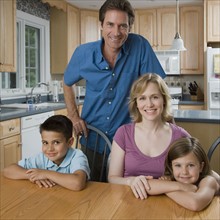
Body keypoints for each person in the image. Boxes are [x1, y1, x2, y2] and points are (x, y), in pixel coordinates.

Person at [63, 0, 165, 181]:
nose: (116, 33)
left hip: (130, 143)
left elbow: (156, 85)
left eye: (122, 26)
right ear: (101, 25)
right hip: (92, 139)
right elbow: (67, 82)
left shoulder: (140, 46)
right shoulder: (83, 53)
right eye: (110, 24)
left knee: (128, 197)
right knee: (91, 196)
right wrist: (73, 115)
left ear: (129, 27)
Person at [108, 73, 191, 193]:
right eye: (142, 98)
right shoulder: (123, 133)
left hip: (167, 203)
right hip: (127, 201)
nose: (149, 104)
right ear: (136, 103)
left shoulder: (180, 136)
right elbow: (112, 178)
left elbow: (197, 171)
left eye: (155, 97)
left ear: (164, 100)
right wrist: (130, 181)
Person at [3, 115, 90, 191]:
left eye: (56, 142)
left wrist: (45, 174)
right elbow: (8, 170)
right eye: (45, 142)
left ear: (70, 142)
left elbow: (77, 183)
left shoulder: (77, 156)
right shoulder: (42, 157)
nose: (49, 149)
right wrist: (33, 176)